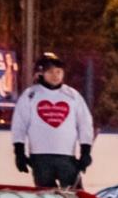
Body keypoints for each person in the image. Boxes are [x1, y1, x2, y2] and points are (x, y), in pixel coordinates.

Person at [9, 52, 95, 188]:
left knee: (75, 195)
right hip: (40, 158)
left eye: (59, 71)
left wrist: (85, 151)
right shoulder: (31, 95)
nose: (56, 75)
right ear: (42, 73)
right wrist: (19, 152)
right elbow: (19, 125)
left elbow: (84, 124)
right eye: (51, 72)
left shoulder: (72, 95)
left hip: (66, 157)